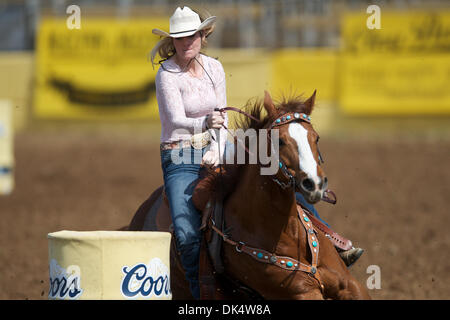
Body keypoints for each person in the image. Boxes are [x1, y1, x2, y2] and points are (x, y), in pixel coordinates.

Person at [150, 6, 228, 299]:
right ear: (172, 41)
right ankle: (199, 298)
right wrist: (205, 124)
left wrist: (219, 148)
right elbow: (174, 120)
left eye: (191, 35)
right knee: (185, 232)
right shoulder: (166, 73)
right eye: (180, 37)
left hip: (216, 144)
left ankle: (326, 241)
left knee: (274, 177)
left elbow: (223, 114)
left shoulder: (215, 68)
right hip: (179, 153)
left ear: (202, 35)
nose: (186, 42)